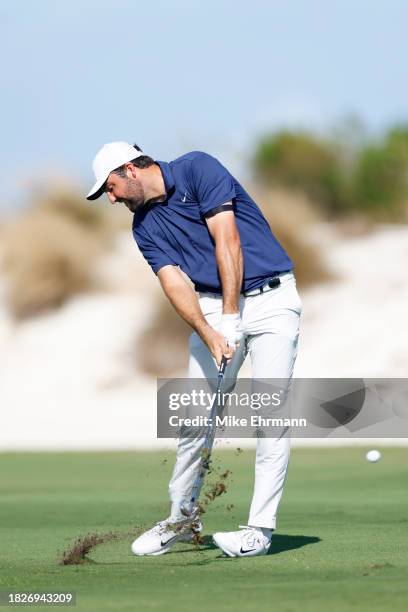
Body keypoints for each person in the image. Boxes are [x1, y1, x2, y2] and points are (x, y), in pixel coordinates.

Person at [86, 141, 302, 557]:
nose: (110, 199)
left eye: (110, 188)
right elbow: (172, 281)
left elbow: (228, 240)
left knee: (270, 414)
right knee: (193, 417)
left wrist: (231, 316)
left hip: (272, 301)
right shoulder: (143, 227)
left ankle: (259, 530)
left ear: (130, 170)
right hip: (212, 308)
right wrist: (209, 329)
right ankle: (182, 518)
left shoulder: (197, 168)